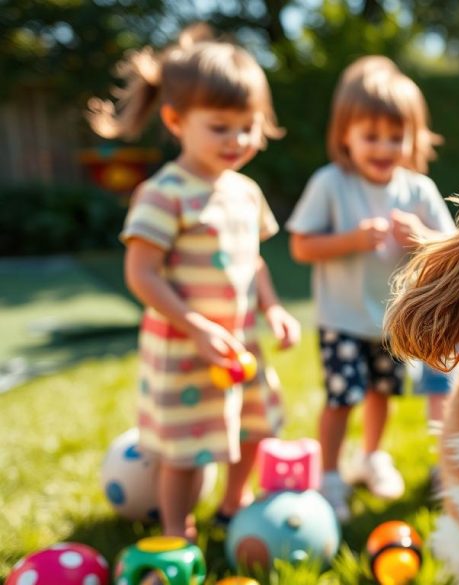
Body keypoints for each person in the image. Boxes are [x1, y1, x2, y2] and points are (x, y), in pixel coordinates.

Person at [87, 24, 301, 539]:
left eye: (248, 127)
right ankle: (177, 535)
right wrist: (195, 325)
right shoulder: (163, 193)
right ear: (176, 120)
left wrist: (273, 308)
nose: (238, 140)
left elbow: (253, 261)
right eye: (221, 127)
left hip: (239, 345)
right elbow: (141, 273)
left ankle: (232, 505)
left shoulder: (246, 192)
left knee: (255, 429)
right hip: (184, 349)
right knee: (182, 452)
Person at [287, 56, 455, 521]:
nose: (383, 147)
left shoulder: (418, 189)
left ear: (414, 138)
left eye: (395, 137)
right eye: (370, 136)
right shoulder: (330, 184)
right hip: (341, 319)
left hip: (390, 323)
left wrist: (417, 236)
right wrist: (352, 240)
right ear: (345, 135)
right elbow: (301, 246)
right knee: (342, 398)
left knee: (382, 394)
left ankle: (372, 458)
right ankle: (329, 476)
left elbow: (448, 247)